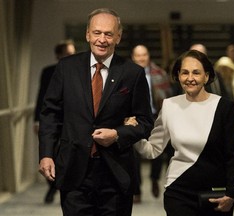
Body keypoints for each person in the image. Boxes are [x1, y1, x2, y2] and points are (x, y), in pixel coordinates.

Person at [38, 8, 154, 216]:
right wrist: (46, 154)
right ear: (87, 34)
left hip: (115, 174)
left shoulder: (132, 74)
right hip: (74, 171)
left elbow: (146, 122)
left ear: (118, 37)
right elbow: (50, 114)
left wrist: (118, 134)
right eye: (97, 32)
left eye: (109, 34)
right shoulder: (67, 68)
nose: (102, 39)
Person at [129, 50, 234, 216]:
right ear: (178, 76)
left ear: (206, 76)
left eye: (196, 72)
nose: (190, 78)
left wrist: (231, 193)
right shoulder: (169, 106)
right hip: (178, 191)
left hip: (215, 193)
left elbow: (232, 155)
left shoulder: (223, 107)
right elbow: (153, 149)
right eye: (184, 73)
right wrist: (134, 133)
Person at [34, 39, 76, 204]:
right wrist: (37, 120)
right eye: (68, 54)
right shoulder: (48, 72)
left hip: (71, 120)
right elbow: (42, 97)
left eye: (73, 54)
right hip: (53, 119)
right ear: (59, 55)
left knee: (65, 155)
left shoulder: (78, 71)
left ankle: (59, 186)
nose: (72, 56)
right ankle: (52, 187)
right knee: (48, 153)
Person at [131, 44, 173, 203]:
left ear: (148, 56)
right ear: (133, 57)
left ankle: (154, 179)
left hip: (155, 117)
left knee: (158, 152)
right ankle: (137, 189)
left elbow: (168, 96)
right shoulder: (127, 74)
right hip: (134, 119)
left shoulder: (159, 74)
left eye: (144, 55)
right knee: (134, 155)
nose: (141, 58)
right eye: (138, 55)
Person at [214, 56, 234, 122]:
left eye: (225, 69)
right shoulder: (224, 82)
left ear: (230, 69)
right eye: (221, 69)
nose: (223, 72)